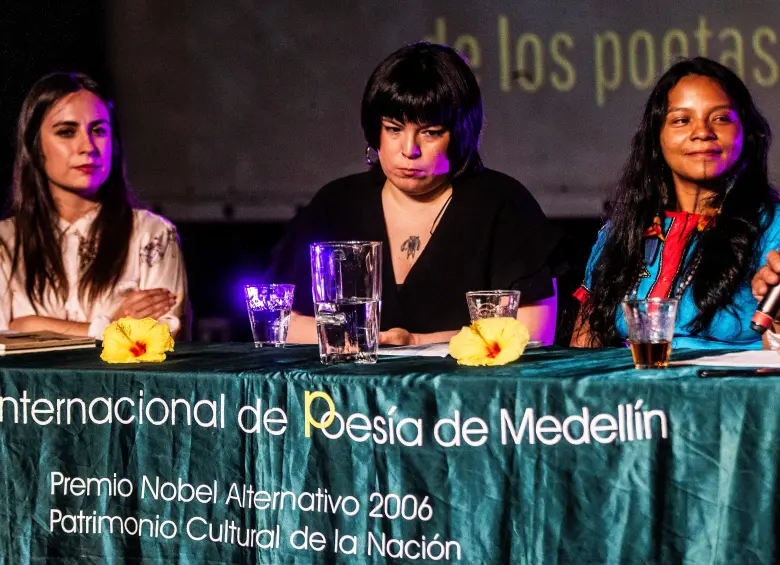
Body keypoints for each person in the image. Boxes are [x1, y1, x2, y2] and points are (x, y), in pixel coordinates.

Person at [266, 42, 559, 346]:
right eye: (394, 129)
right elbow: (277, 319)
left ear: (461, 133)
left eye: (430, 132)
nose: (409, 150)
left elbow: (533, 333)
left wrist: (417, 342)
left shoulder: (503, 205)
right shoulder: (336, 204)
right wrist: (364, 339)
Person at [571, 57, 780, 350]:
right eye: (682, 120)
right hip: (628, 392)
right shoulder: (621, 232)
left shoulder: (772, 227)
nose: (702, 132)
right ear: (657, 140)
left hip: (730, 392)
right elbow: (583, 350)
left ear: (746, 133)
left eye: (720, 118)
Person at [0, 72, 189, 338]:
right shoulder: (6, 242)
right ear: (34, 146)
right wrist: (105, 329)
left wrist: (30, 325)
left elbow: (159, 337)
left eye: (99, 131)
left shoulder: (152, 235)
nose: (88, 146)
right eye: (66, 132)